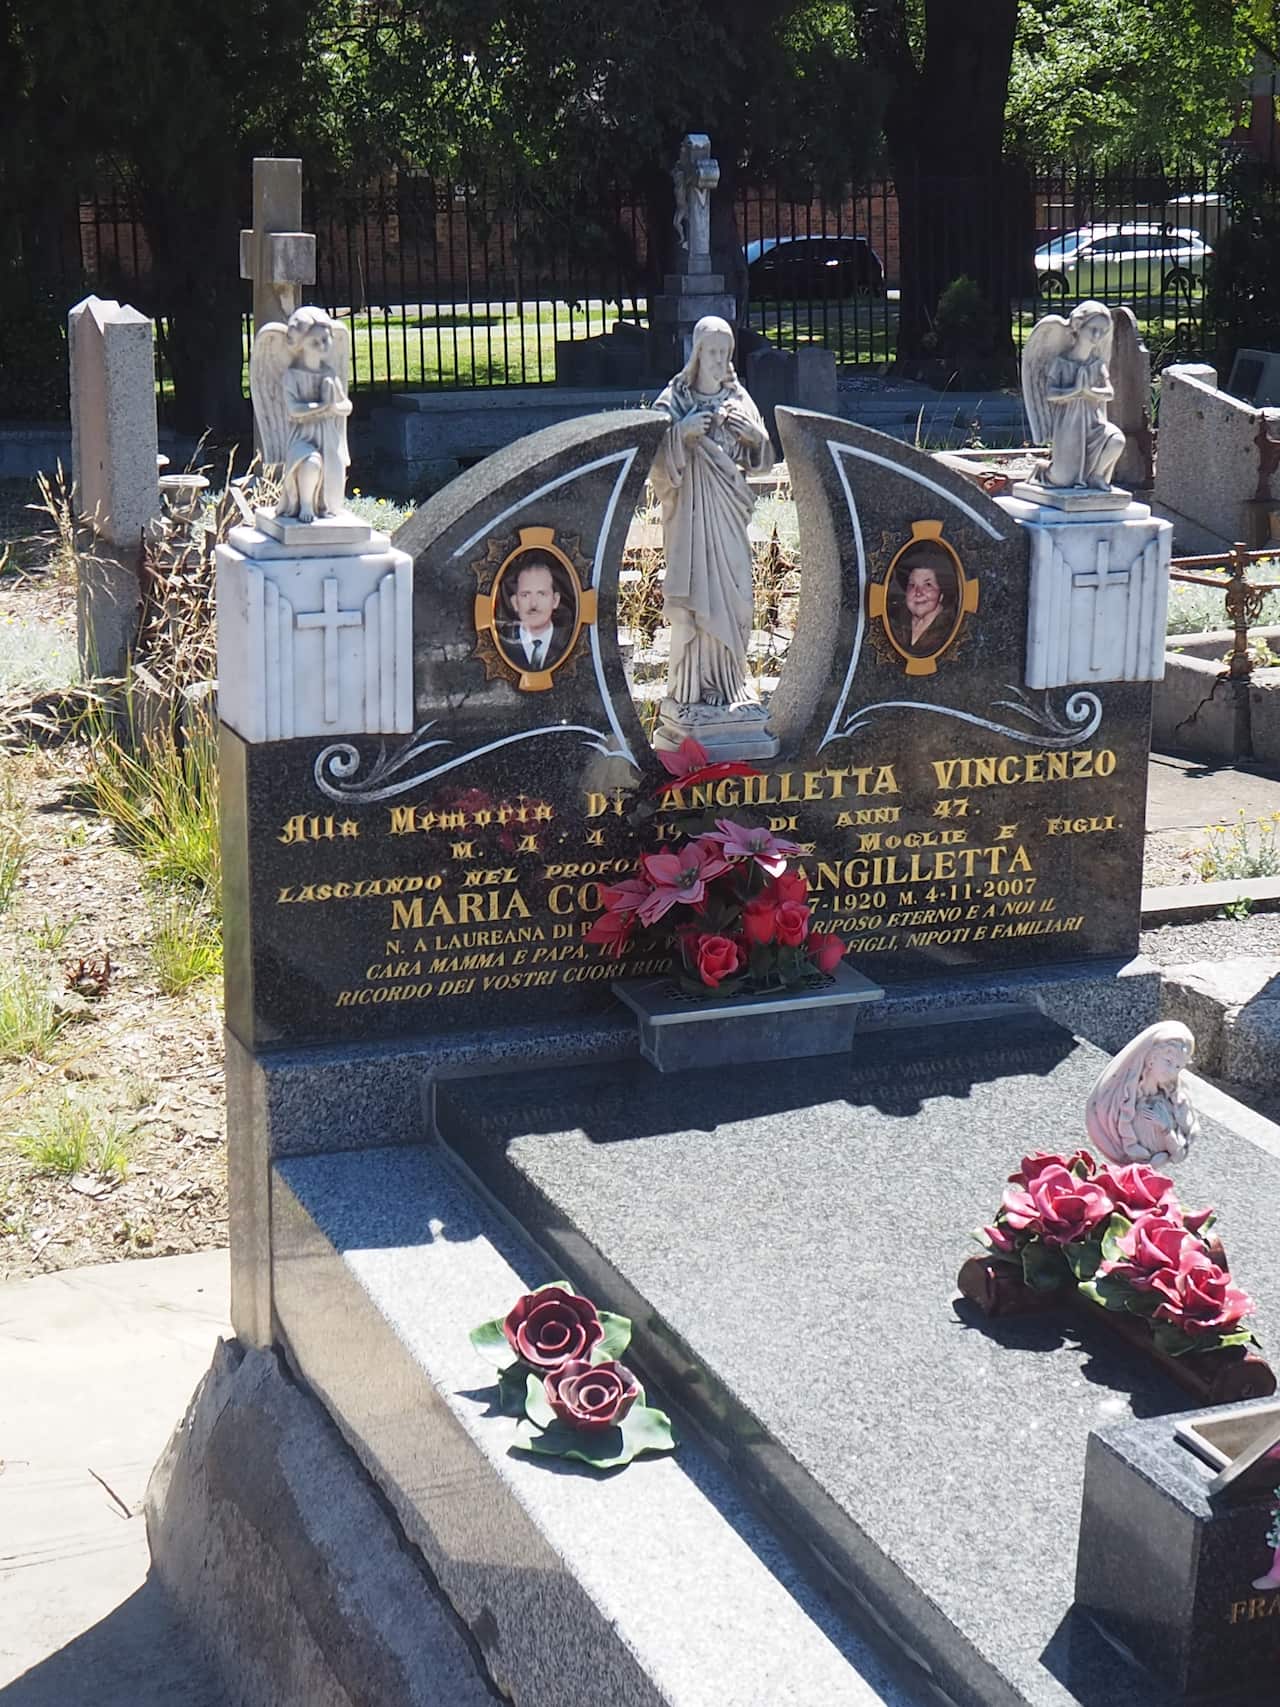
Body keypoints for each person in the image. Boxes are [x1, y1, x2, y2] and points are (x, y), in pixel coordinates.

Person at [650, 316, 772, 710]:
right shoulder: (674, 402)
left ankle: (731, 678)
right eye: (713, 352)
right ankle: (692, 685)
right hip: (689, 519)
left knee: (735, 593)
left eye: (726, 353)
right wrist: (681, 435)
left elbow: (763, 460)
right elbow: (652, 462)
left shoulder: (739, 400)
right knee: (697, 591)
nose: (720, 360)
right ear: (697, 354)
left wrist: (754, 438)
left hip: (728, 516)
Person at [1085, 1020, 1201, 1167]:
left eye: (1178, 1066)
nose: (1172, 1071)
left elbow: (1179, 1155)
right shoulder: (1118, 1099)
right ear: (1151, 1058)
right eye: (1168, 1061)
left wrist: (1166, 1129)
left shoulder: (1176, 1104)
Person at [277, 307, 353, 523]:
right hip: (302, 434)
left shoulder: (329, 373)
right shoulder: (292, 376)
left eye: (325, 339)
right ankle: (306, 505)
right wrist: (323, 406)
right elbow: (293, 410)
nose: (322, 346)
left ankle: (323, 506)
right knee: (310, 463)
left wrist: (335, 408)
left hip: (328, 434)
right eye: (314, 342)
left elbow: (345, 405)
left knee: (332, 479)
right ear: (300, 345)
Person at [498, 556, 569, 671]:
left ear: (555, 601)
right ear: (515, 602)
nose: (534, 604)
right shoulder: (501, 643)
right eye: (525, 595)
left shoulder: (568, 641)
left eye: (541, 594)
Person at [889, 554, 957, 657]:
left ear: (941, 594)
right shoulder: (894, 621)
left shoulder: (951, 628)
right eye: (912, 585)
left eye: (928, 585)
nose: (918, 592)